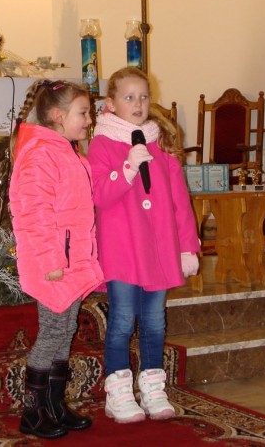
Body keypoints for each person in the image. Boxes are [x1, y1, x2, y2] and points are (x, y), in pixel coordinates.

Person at [88, 67, 200, 424]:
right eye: (129, 97)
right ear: (111, 103)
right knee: (122, 320)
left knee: (154, 321)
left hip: (159, 248)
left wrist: (187, 246)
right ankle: (119, 392)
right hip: (123, 249)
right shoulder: (102, 144)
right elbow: (100, 195)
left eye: (144, 97)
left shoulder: (160, 143)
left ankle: (152, 387)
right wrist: (128, 168)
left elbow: (180, 200)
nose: (138, 104)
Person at [9, 79, 104, 440]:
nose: (89, 120)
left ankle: (54, 404)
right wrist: (51, 260)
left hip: (70, 259)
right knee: (52, 332)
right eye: (84, 113)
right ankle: (32, 412)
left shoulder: (66, 151)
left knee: (65, 330)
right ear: (57, 115)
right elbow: (33, 212)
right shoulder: (40, 153)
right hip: (53, 263)